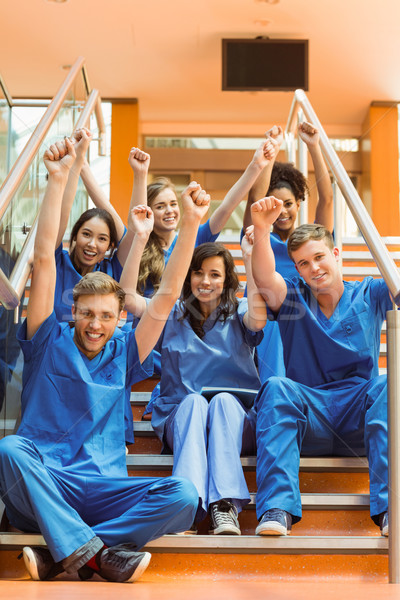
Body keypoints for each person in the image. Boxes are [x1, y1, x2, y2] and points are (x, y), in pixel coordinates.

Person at [0, 137, 212, 582]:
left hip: (103, 486)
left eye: (106, 316)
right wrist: (58, 180)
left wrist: (191, 224)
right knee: (9, 449)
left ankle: (70, 551)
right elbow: (44, 259)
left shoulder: (127, 351)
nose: (95, 324)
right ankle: (99, 555)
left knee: (183, 495)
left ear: (121, 319)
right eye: (87, 314)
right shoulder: (46, 339)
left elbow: (169, 293)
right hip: (45, 480)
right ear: (72, 312)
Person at [250, 197, 389, 537]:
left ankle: (391, 511)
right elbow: (266, 278)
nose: (313, 268)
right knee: (276, 386)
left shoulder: (370, 292)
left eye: (319, 257)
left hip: (358, 414)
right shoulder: (294, 296)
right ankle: (277, 509)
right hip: (310, 414)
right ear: (296, 269)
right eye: (303, 263)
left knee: (388, 385)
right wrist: (263, 226)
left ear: (336, 255)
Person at [121, 234, 266, 535]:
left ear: (227, 281)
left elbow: (257, 319)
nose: (205, 280)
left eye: (215, 274)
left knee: (224, 401)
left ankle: (223, 506)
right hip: (183, 419)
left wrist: (250, 258)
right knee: (195, 403)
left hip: (235, 421)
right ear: (188, 277)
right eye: (198, 272)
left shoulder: (239, 312)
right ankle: (185, 504)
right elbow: (128, 299)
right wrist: (138, 237)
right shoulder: (171, 313)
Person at [131, 138, 275, 418]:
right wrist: (140, 175)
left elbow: (225, 209)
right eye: (160, 206)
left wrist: (255, 167)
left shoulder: (194, 240)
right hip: (166, 340)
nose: (170, 210)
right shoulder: (138, 249)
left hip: (194, 349)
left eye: (173, 203)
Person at [243, 122, 333, 381]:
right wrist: (274, 149)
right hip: (269, 320)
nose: (282, 211)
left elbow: (326, 199)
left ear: (298, 203)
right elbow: (254, 198)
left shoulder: (309, 243)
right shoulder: (258, 236)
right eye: (275, 204)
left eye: (288, 204)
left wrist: (314, 146)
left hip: (304, 315)